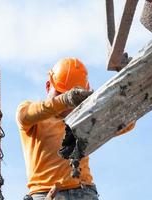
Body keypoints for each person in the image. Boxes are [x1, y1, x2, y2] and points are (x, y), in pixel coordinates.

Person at [16, 58, 134, 200]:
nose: (68, 105)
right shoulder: (34, 116)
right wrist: (66, 99)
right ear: (48, 86)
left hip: (85, 192)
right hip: (46, 194)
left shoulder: (84, 118)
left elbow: (126, 123)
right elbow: (24, 116)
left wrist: (130, 84)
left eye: (72, 99)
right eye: (60, 93)